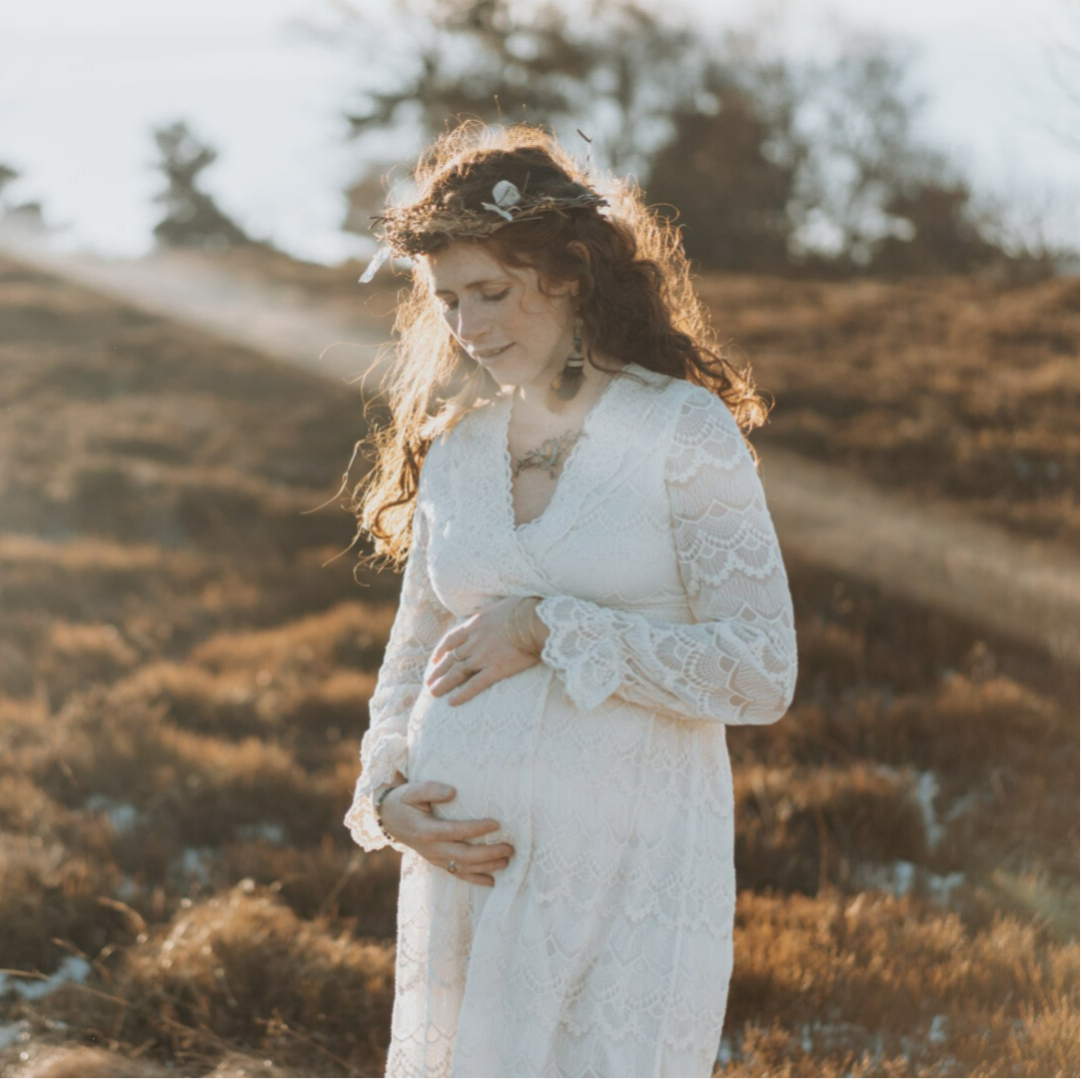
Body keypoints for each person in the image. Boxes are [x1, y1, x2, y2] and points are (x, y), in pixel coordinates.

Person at [344, 120, 799, 1080]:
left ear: (574, 272)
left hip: (621, 878)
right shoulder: (458, 450)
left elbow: (761, 671)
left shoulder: (682, 428)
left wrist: (548, 626)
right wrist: (389, 800)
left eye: (493, 292)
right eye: (450, 301)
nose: (469, 328)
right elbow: (405, 665)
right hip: (462, 884)